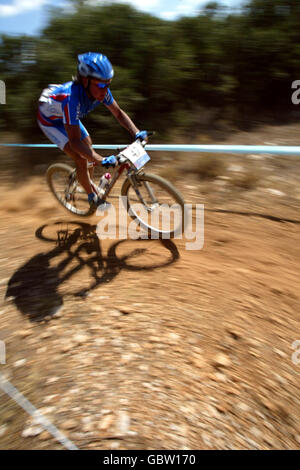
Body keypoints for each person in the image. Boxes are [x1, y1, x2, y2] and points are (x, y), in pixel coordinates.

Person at [37, 52, 148, 207]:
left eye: (108, 84)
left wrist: (137, 132)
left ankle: (86, 181)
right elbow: (75, 142)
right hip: (49, 121)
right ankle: (91, 196)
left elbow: (118, 113)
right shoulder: (72, 99)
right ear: (85, 80)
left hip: (65, 115)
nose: (105, 89)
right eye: (101, 85)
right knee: (81, 157)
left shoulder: (101, 91)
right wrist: (100, 160)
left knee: (88, 143)